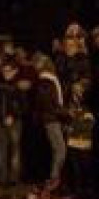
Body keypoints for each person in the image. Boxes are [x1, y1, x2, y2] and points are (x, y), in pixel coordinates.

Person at [33, 54, 69, 184]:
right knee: (60, 150)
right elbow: (49, 103)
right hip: (51, 119)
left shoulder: (48, 80)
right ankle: (54, 179)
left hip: (54, 117)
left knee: (58, 149)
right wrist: (65, 113)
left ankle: (56, 178)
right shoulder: (46, 81)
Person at [0, 59, 24, 185]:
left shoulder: (19, 87)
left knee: (15, 150)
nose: (6, 73)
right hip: (0, 122)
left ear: (14, 71)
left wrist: (13, 115)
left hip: (14, 122)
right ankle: (2, 178)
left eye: (8, 71)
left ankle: (14, 178)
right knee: (1, 150)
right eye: (4, 71)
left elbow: (23, 106)